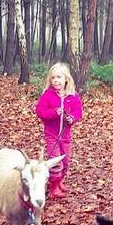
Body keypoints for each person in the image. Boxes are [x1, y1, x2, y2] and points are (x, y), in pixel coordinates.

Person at [35, 62, 83, 199]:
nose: (56, 80)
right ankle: (54, 186)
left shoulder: (72, 96)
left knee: (65, 159)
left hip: (66, 135)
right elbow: (40, 112)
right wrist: (54, 112)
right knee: (55, 160)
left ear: (66, 79)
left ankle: (60, 180)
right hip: (52, 135)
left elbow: (78, 111)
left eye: (59, 77)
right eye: (53, 78)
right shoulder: (47, 95)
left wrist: (72, 118)